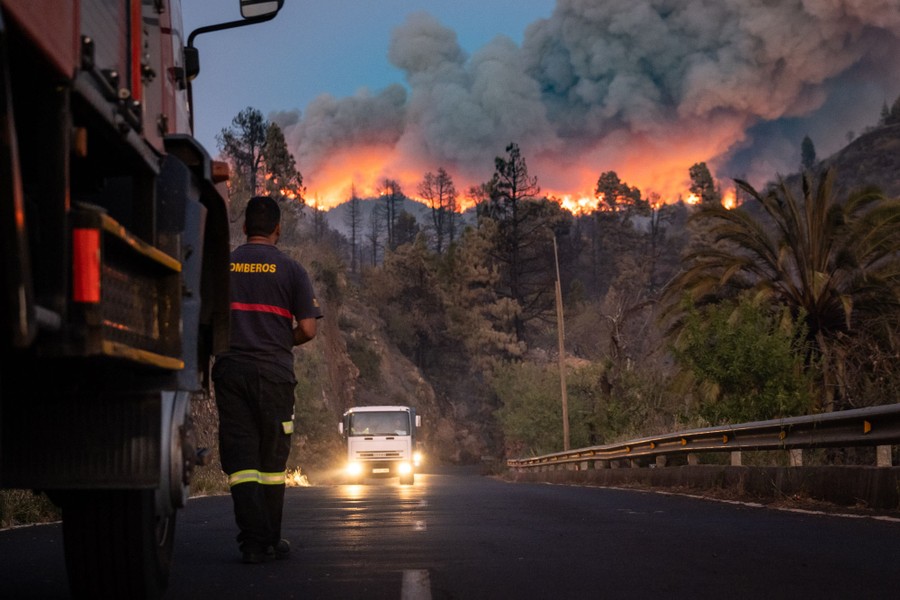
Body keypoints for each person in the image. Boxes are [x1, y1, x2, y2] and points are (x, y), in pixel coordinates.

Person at [212, 195, 323, 564]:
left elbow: (206, 322)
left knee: (242, 462)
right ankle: (271, 539)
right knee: (272, 464)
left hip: (231, 372)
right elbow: (307, 329)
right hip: (275, 374)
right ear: (278, 228)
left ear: (244, 227)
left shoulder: (222, 267)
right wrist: (279, 339)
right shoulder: (292, 270)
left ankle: (253, 543)